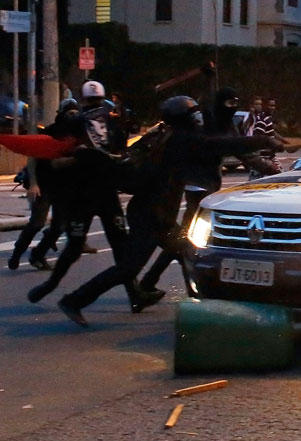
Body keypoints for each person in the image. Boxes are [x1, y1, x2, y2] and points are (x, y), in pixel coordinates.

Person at [57, 95, 283, 327]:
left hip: (159, 213)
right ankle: (74, 300)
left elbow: (218, 142)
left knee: (187, 251)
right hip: (151, 214)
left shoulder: (167, 136)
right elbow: (222, 145)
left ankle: (199, 304)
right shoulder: (181, 140)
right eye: (193, 113)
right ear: (184, 118)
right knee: (128, 268)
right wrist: (264, 141)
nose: (197, 118)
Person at [139, 88, 282, 295]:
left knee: (183, 239)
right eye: (228, 104)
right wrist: (266, 151)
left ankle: (153, 282)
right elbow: (226, 146)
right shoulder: (204, 123)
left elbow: (244, 153)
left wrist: (272, 168)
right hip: (195, 184)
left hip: (207, 185)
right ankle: (185, 287)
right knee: (185, 240)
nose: (231, 109)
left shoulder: (228, 124)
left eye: (235, 104)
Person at [26, 81, 154, 311]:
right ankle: (52, 284)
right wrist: (81, 158)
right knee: (107, 245)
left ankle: (134, 294)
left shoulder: (102, 122)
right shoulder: (90, 122)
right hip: (90, 193)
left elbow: (118, 153)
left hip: (91, 194)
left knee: (99, 245)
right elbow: (56, 161)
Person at [6, 100, 78, 271]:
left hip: (63, 187)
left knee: (60, 225)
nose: (73, 116)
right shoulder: (51, 132)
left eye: (76, 113)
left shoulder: (78, 135)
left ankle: (38, 255)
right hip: (44, 184)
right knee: (37, 223)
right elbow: (33, 157)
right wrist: (34, 183)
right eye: (70, 113)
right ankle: (17, 253)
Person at [247, 97, 286, 180]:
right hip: (264, 159)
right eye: (270, 105)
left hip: (269, 158)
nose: (272, 108)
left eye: (273, 105)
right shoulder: (261, 120)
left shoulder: (266, 120)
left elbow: (271, 134)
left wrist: (284, 141)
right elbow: (258, 139)